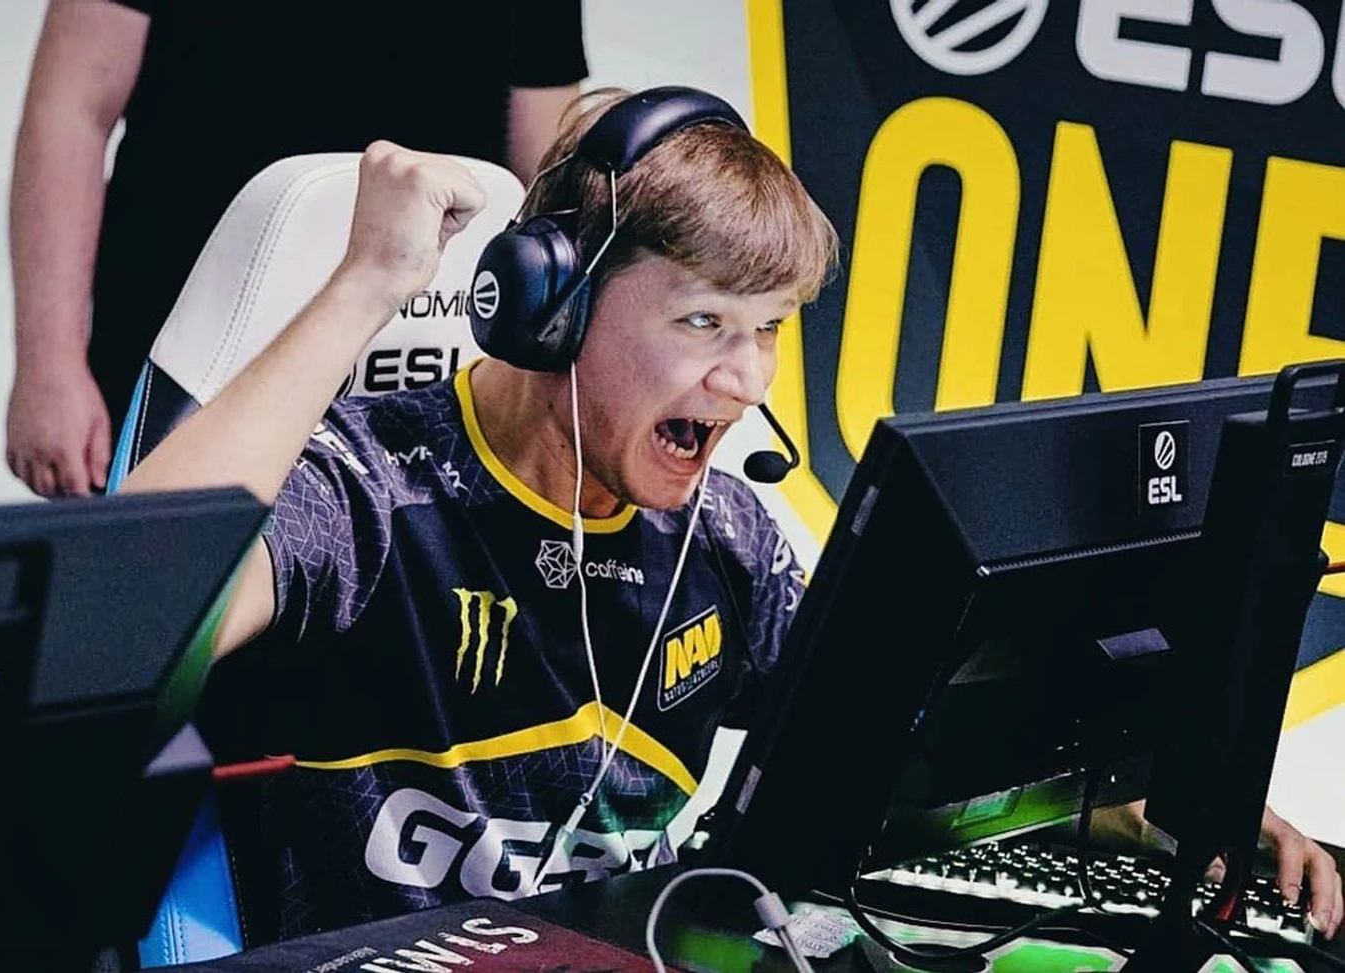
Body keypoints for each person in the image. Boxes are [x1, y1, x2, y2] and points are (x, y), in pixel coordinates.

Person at [120, 88, 1343, 942]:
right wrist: (366, 283)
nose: (745, 379)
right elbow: (127, 612)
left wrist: (1146, 807)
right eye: (702, 321)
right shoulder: (371, 486)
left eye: (766, 332)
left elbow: (872, 761)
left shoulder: (723, 544)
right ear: (551, 308)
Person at [7, 0, 586, 498]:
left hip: (415, 366)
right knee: (162, 579)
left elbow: (551, 171)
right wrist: (49, 363)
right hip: (185, 347)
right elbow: (73, 108)